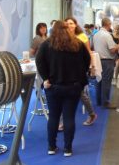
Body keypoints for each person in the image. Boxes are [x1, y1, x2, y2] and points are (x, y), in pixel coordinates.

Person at [36, 21, 90, 157]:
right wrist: (79, 77)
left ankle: (51, 147)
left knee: (53, 117)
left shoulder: (46, 44)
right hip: (73, 87)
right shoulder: (78, 44)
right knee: (69, 117)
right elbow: (87, 61)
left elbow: (39, 61)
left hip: (53, 87)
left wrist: (46, 78)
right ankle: (68, 148)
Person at [65, 17, 97, 126]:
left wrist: (90, 67)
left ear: (75, 24)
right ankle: (62, 121)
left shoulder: (82, 36)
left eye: (71, 23)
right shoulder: (63, 37)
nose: (69, 25)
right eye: (67, 23)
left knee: (81, 94)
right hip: (65, 70)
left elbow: (88, 53)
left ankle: (92, 114)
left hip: (78, 70)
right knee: (64, 95)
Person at [93, 18, 119, 109]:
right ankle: (106, 102)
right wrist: (118, 46)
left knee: (98, 81)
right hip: (107, 61)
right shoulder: (107, 35)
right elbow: (112, 50)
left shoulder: (95, 35)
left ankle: (99, 101)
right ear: (108, 24)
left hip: (97, 60)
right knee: (106, 82)